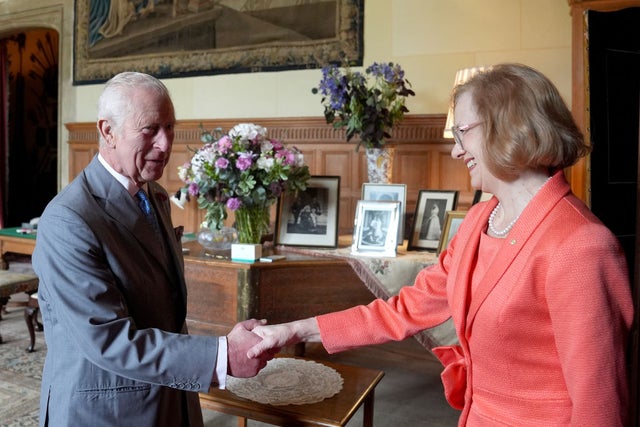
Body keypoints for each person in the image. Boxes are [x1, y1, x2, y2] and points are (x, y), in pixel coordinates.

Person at [246, 63, 634, 425]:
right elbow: (402, 310)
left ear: (509, 126)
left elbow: (600, 406)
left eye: (463, 132)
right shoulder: (480, 220)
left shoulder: (582, 246)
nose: (455, 149)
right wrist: (294, 331)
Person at [32, 71, 273, 427]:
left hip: (167, 398)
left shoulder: (154, 195)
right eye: (150, 130)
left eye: (170, 127)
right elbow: (109, 340)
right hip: (105, 411)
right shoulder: (68, 220)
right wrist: (222, 354)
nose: (165, 143)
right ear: (107, 131)